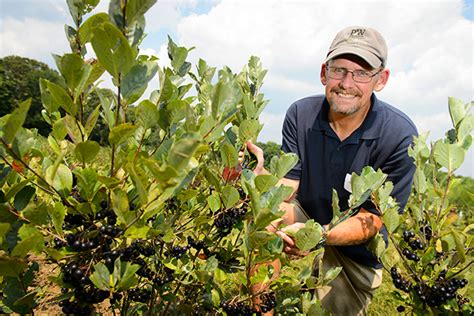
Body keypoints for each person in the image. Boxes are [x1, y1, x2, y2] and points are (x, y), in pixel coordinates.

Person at [247, 26, 418, 315]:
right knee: (266, 216)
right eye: (339, 70)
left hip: (357, 241)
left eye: (362, 72)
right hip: (310, 209)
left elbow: (372, 220)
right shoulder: (300, 114)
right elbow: (288, 188)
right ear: (324, 73)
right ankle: (262, 311)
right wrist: (258, 176)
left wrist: (320, 235)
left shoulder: (399, 136)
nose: (347, 83)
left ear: (381, 79)